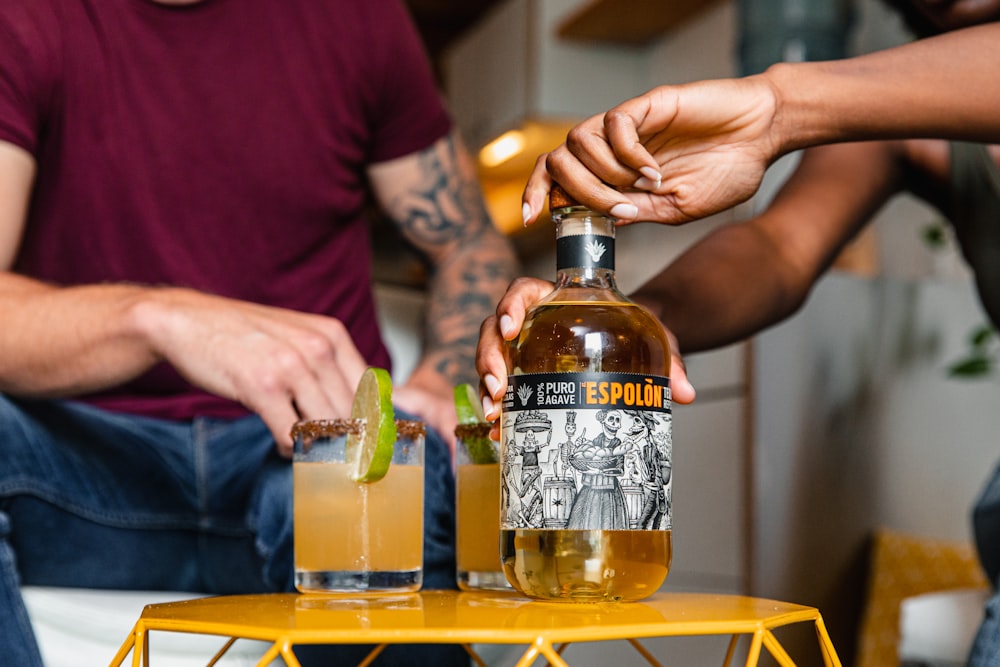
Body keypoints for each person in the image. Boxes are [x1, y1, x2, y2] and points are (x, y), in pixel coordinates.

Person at [476, 2, 1000, 664]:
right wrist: (638, 322)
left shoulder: (860, 101)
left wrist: (778, 105)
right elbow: (778, 248)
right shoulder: (901, 124)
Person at [0, 0, 518, 665]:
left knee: (409, 497)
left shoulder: (356, 17)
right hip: (87, 465)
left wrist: (444, 375)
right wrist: (161, 318)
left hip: (319, 456)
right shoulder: (25, 17)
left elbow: (469, 243)